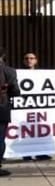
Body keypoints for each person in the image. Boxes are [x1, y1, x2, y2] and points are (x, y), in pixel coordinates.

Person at [20, 51, 51, 161]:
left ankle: (40, 153)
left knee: (39, 130)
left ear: (36, 61)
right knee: (25, 130)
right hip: (24, 107)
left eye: (32, 58)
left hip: (38, 107)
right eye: (27, 58)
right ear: (24, 61)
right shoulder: (18, 74)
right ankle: (26, 153)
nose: (29, 60)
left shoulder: (41, 74)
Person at [0, 47, 21, 177]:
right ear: (3, 56)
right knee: (0, 138)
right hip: (2, 107)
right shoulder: (9, 71)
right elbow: (15, 92)